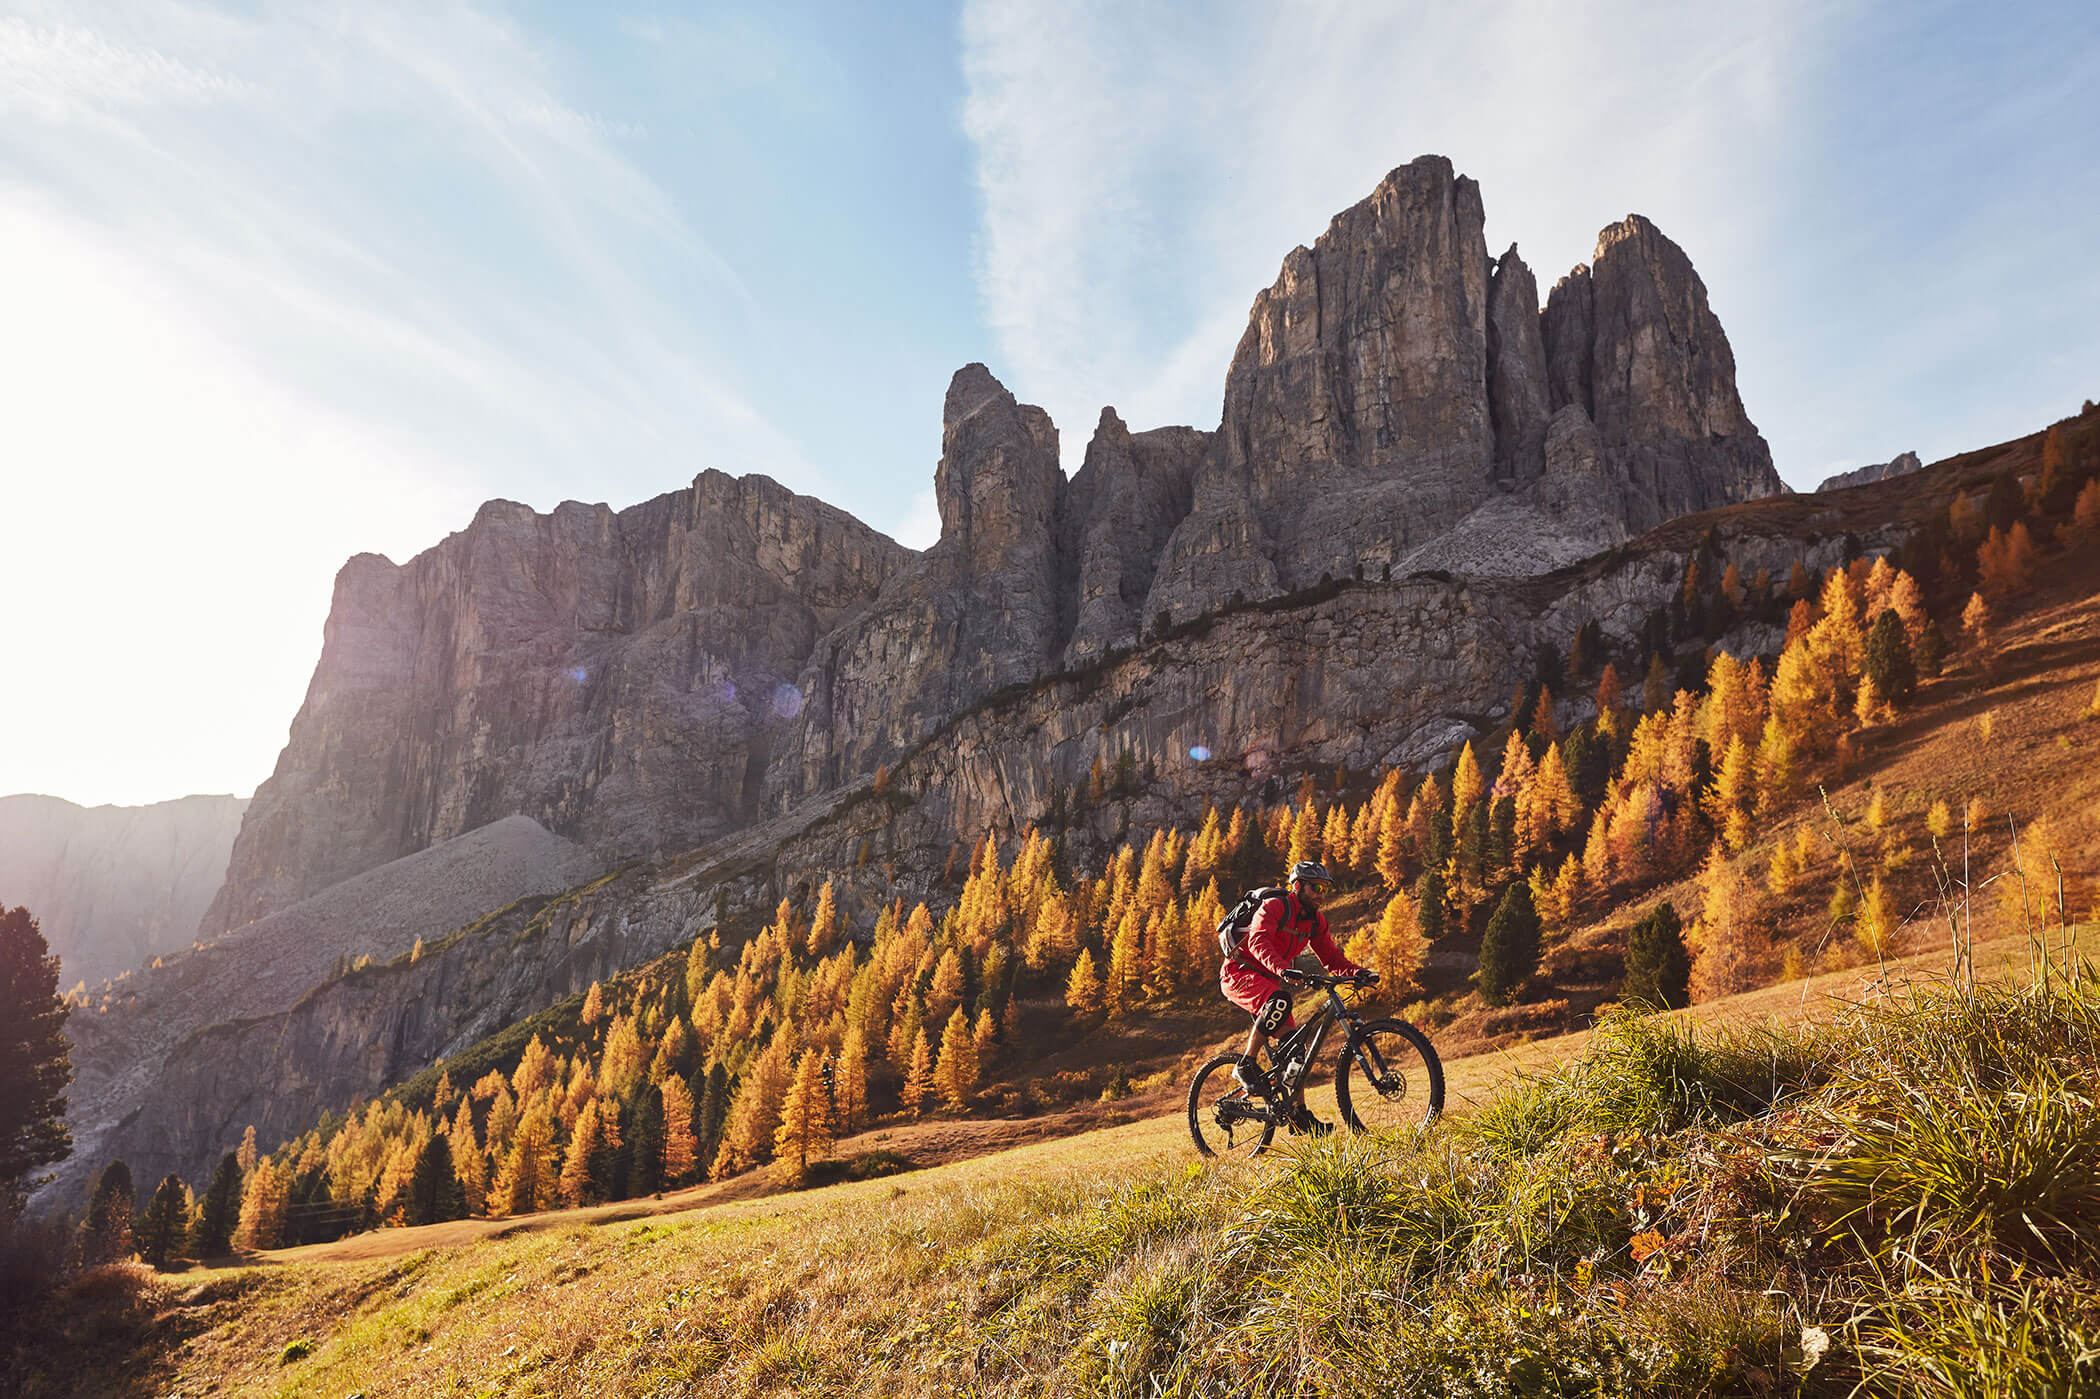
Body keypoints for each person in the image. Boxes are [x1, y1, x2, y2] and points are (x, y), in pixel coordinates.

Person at [1217, 860, 1373, 1135]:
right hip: (1239, 973)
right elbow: (1258, 941)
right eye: (1316, 887)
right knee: (1280, 1000)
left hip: (1269, 980)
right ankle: (1246, 1064)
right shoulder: (1276, 906)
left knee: (1294, 1050)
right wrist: (1282, 968)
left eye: (1325, 888)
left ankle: (1298, 1114)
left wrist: (1359, 973)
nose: (1321, 894)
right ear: (1298, 886)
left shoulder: (1315, 920)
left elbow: (1331, 958)